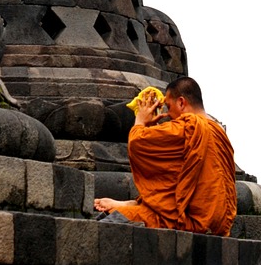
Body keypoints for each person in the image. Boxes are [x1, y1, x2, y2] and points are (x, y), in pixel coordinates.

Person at [94, 76, 237, 235]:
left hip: (192, 223)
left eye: (168, 106)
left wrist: (141, 121)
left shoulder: (190, 125)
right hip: (220, 225)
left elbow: (137, 143)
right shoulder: (219, 133)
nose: (167, 114)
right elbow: (176, 179)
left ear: (181, 102)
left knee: (109, 221)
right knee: (131, 210)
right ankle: (133, 203)